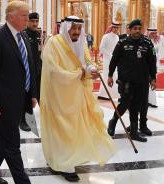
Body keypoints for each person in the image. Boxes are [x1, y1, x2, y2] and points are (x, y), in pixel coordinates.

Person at [40, 16, 116, 182]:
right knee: (63, 129)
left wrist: (92, 68)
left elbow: (86, 62)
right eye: (72, 28)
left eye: (78, 29)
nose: (76, 32)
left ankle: (74, 157)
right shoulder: (54, 43)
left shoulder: (81, 42)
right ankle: (64, 164)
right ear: (65, 28)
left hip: (79, 94)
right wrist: (81, 74)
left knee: (78, 128)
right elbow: (53, 72)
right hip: (60, 97)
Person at [0, 1, 37, 184]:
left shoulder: (24, 37)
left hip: (20, 99)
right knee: (12, 144)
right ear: (10, 16)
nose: (27, 19)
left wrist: (32, 94)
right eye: (23, 15)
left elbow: (30, 67)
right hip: (3, 102)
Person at [106, 19, 157, 142]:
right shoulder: (122, 43)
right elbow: (114, 60)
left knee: (136, 105)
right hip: (126, 80)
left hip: (142, 80)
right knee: (124, 104)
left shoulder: (147, 43)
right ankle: (113, 122)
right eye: (135, 29)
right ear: (129, 29)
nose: (137, 31)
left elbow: (152, 62)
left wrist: (153, 78)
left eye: (139, 29)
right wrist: (110, 75)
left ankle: (134, 131)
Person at [98, 22, 121, 100]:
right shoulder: (106, 36)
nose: (116, 29)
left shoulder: (117, 37)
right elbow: (101, 48)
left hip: (114, 60)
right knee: (106, 75)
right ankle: (103, 94)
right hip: (107, 59)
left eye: (117, 28)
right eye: (114, 27)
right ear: (111, 28)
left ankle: (114, 95)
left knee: (115, 76)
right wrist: (110, 55)